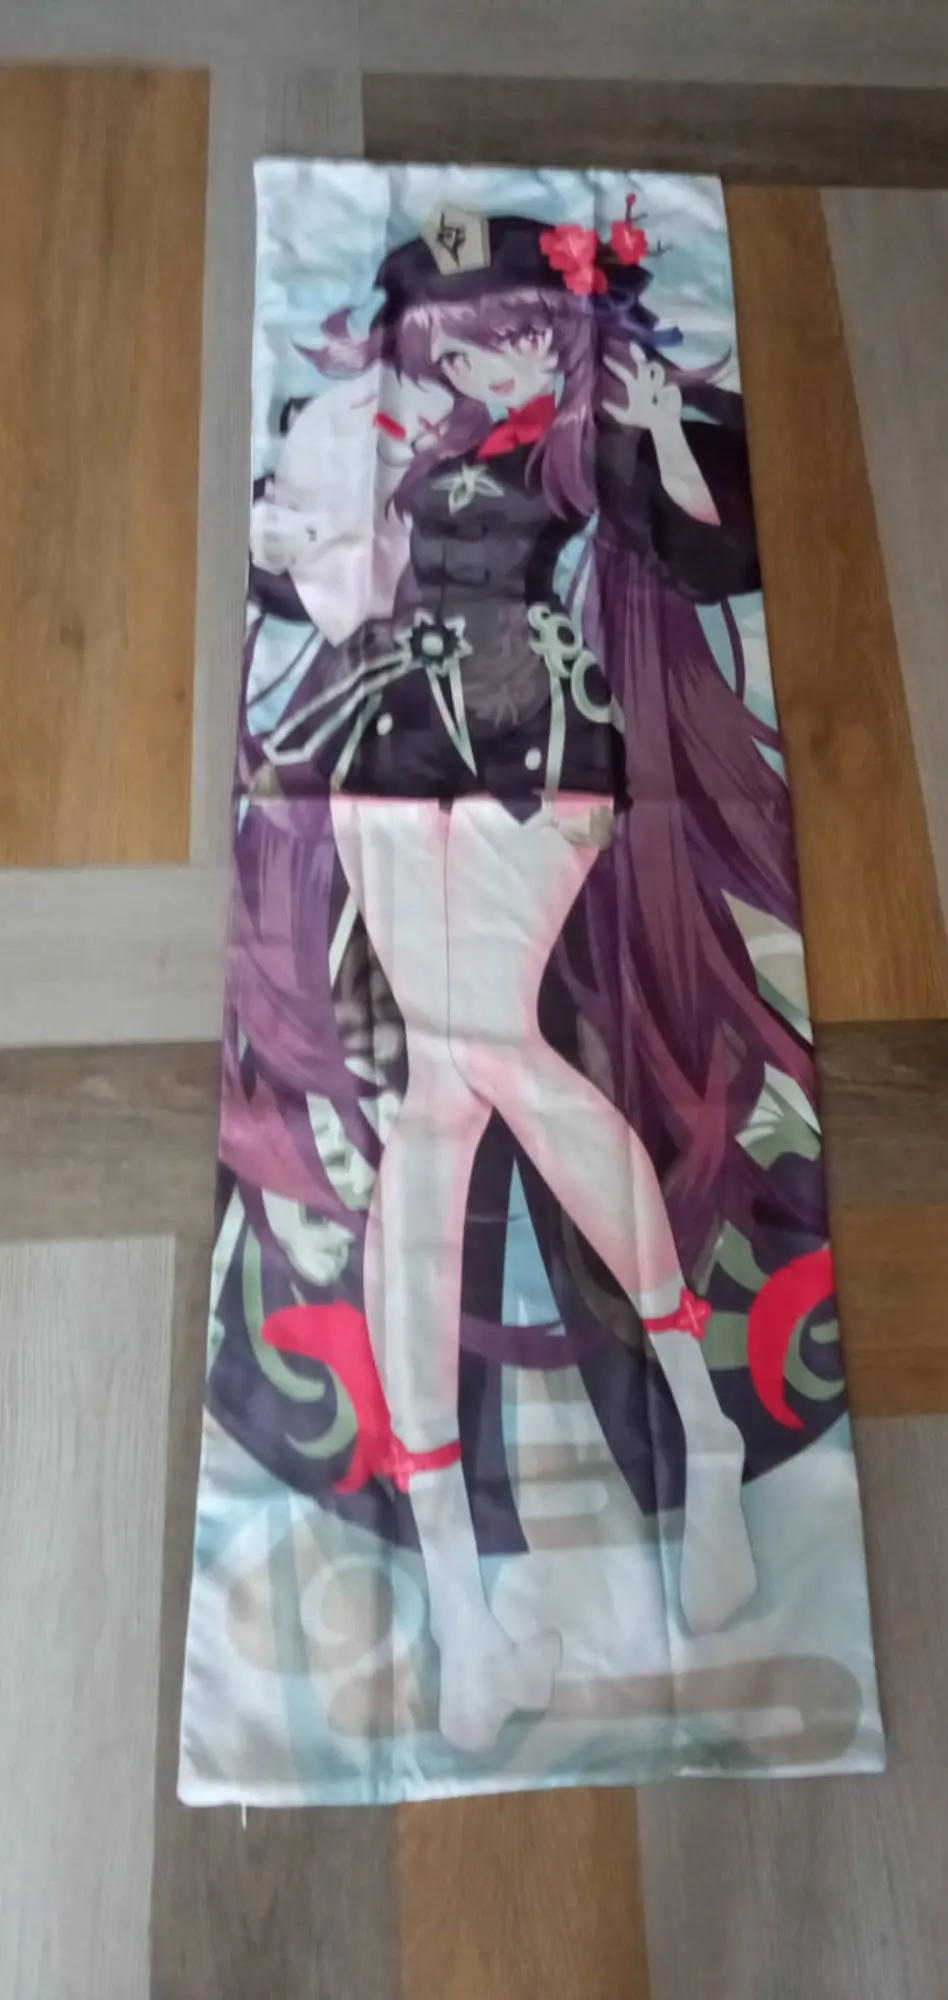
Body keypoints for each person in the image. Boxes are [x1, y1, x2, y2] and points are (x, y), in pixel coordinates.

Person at [234, 202, 824, 1752]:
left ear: (548, 327)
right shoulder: (382, 429)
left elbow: (710, 548)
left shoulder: (574, 434)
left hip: (531, 748)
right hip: (379, 752)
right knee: (435, 1111)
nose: (473, 358)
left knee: (493, 1054)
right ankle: (462, 1600)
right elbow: (304, 574)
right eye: (454, 336)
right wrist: (289, 532)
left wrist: (661, 429)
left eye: (503, 329)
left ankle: (690, 1434)